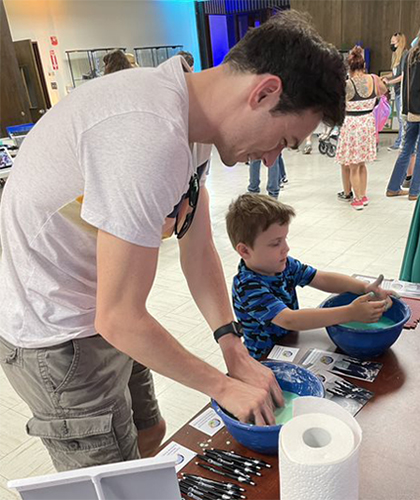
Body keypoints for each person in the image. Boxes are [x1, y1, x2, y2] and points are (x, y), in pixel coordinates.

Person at [0, 11, 346, 472]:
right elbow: (120, 316)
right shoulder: (146, 134)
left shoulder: (191, 117)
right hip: (53, 328)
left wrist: (232, 347)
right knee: (113, 478)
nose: (270, 157)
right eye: (282, 139)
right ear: (263, 92)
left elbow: (197, 248)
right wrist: (222, 386)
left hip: (99, 305)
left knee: (150, 433)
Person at [226, 194, 392, 360]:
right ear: (245, 251)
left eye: (285, 239)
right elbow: (290, 320)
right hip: (264, 361)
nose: (286, 248)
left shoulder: (285, 265)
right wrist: (351, 313)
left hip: (290, 346)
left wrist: (364, 288)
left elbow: (322, 278)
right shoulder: (247, 286)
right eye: (276, 243)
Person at [335, 46, 387, 210]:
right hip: (367, 123)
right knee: (362, 164)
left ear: (349, 68)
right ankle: (363, 195)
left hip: (352, 124)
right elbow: (383, 92)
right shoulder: (373, 79)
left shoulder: (346, 85)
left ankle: (357, 199)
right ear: (364, 66)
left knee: (353, 165)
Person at [386, 30, 420, 201]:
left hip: (410, 110)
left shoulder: (408, 56)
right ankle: (415, 191)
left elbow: (405, 83)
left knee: (406, 149)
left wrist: (405, 110)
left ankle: (393, 187)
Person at [382, 33, 407, 151]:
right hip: (397, 91)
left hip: (402, 91)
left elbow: (403, 76)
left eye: (393, 42)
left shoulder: (404, 55)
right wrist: (383, 77)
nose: (391, 44)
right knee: (399, 117)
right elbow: (394, 73)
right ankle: (400, 141)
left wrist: (390, 82)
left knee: (402, 118)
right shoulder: (395, 56)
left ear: (400, 42)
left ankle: (400, 143)